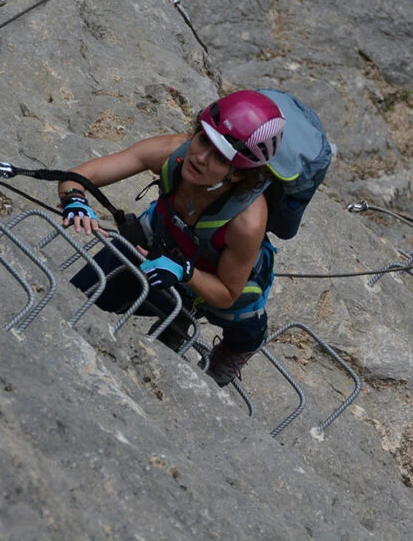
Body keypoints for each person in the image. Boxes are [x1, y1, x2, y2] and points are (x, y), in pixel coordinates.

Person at [59, 90, 286, 387]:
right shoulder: (171, 151)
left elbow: (227, 292)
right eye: (203, 139)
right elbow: (78, 177)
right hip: (162, 242)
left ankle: (233, 346)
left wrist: (186, 273)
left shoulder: (247, 221)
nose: (200, 158)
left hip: (214, 275)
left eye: (219, 156)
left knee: (244, 318)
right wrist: (74, 199)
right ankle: (177, 312)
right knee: (81, 292)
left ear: (237, 175)